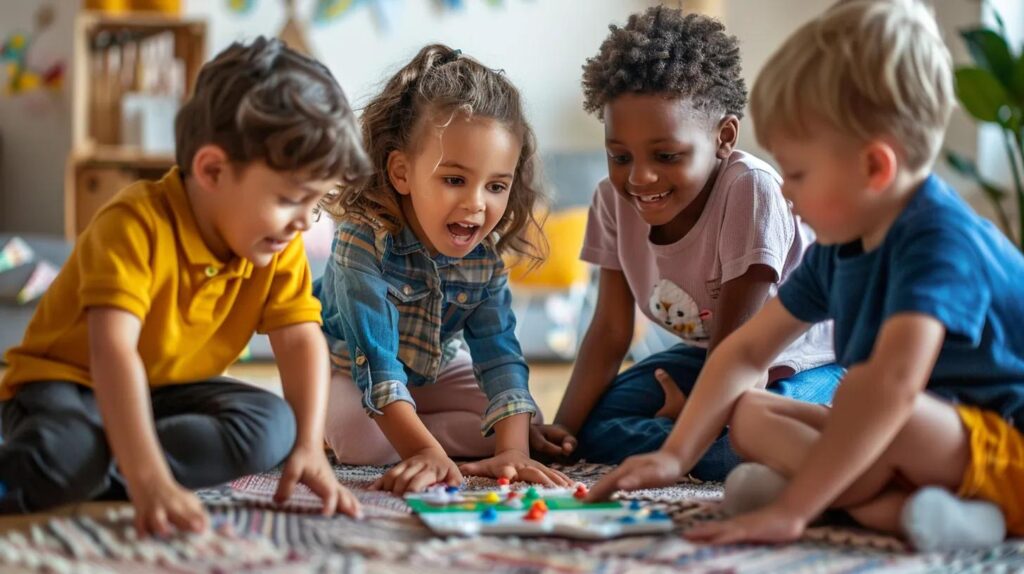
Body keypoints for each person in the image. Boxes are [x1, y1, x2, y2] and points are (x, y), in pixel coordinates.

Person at [591, 0, 1023, 552]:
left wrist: (792, 512)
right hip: (915, 446)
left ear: (874, 167)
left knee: (872, 398)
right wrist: (675, 454)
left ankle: (845, 499)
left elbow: (890, 390)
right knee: (748, 412)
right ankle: (900, 509)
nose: (786, 193)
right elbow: (744, 351)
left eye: (796, 173)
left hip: (1005, 451)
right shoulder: (841, 246)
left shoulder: (941, 242)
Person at [0, 37, 370, 535]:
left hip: (165, 392)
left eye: (317, 204)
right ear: (213, 170)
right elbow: (112, 352)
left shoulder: (277, 241)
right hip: (67, 383)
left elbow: (301, 338)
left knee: (270, 426)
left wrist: (308, 446)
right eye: (290, 199)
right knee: (66, 450)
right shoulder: (134, 223)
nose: (304, 222)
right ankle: (103, 464)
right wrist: (150, 475)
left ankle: (102, 465)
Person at [530, 6, 839, 480]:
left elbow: (739, 349)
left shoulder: (749, 189)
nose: (639, 177)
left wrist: (691, 418)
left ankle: (830, 436)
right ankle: (705, 444)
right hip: (712, 362)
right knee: (595, 428)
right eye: (619, 155)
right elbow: (611, 331)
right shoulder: (612, 201)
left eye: (666, 155)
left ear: (724, 137)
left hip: (804, 365)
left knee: (745, 434)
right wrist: (562, 434)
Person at [317, 44, 571, 495]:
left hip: (435, 371)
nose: (476, 203)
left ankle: (433, 435)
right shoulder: (363, 241)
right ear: (401, 172)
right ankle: (416, 437)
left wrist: (513, 452)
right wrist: (423, 453)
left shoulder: (484, 262)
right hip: (347, 371)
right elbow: (375, 362)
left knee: (517, 421)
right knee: (359, 442)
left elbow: (500, 357)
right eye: (455, 179)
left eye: (496, 186)